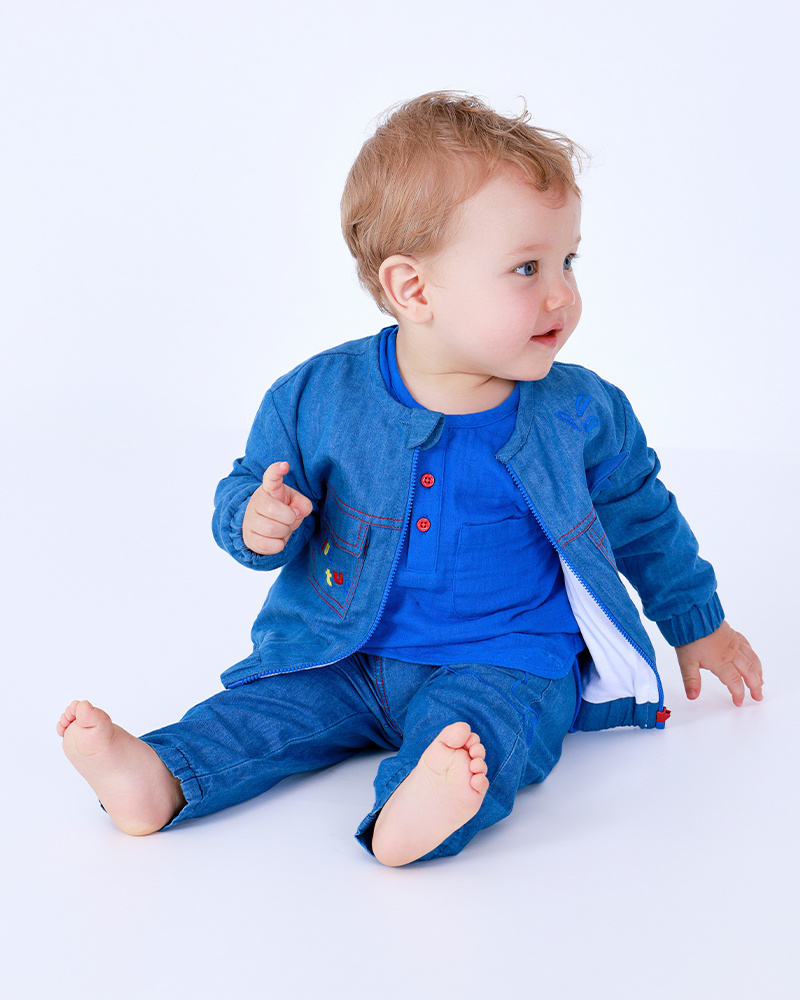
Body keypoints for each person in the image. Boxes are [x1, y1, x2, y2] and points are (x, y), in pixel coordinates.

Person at [57, 92, 763, 867]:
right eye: (526, 268)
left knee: (487, 730)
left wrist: (700, 624)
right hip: (343, 652)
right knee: (264, 708)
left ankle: (414, 810)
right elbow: (247, 489)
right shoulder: (317, 397)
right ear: (414, 289)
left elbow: (643, 517)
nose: (561, 293)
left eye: (568, 260)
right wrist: (255, 519)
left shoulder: (580, 412)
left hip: (505, 655)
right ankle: (160, 775)